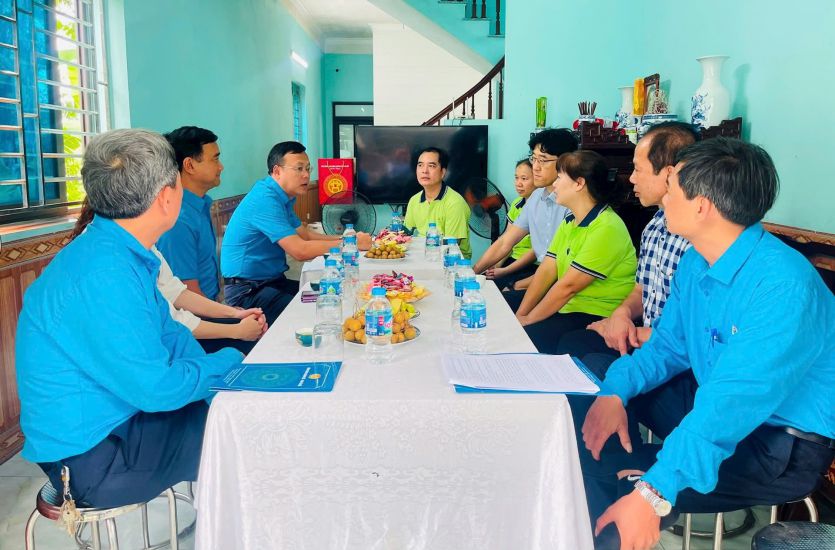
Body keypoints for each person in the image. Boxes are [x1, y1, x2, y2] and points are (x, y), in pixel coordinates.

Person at [580, 138, 835, 550]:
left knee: (614, 480)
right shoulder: (698, 259)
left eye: (674, 185)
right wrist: (614, 392)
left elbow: (732, 403)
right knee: (588, 391)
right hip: (717, 404)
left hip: (780, 444)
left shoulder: (784, 285)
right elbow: (666, 348)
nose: (664, 193)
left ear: (701, 206)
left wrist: (654, 490)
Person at [15, 129, 242, 508]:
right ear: (165, 196)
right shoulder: (104, 273)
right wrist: (231, 364)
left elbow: (173, 337)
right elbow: (157, 388)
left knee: (233, 408)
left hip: (120, 421)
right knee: (242, 431)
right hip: (92, 457)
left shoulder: (121, 253)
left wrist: (213, 371)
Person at [556, 122, 697, 373]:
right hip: (646, 340)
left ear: (669, 174)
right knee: (573, 344)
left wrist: (630, 330)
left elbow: (693, 336)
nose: (631, 178)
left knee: (583, 361)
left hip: (674, 356)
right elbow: (642, 290)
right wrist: (621, 314)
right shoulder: (654, 225)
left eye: (637, 169)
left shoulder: (697, 240)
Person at [71, 201, 267, 355]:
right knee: (242, 351)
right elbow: (171, 321)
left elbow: (176, 293)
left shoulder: (142, 241)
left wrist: (234, 314)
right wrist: (237, 332)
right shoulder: (108, 260)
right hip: (149, 350)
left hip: (168, 339)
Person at [221, 141, 371, 323]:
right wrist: (351, 244)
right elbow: (300, 250)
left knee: (332, 295)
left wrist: (348, 237)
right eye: (299, 169)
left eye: (308, 168)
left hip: (272, 282)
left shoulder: (281, 197)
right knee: (322, 311)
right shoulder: (265, 199)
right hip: (248, 292)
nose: (306, 175)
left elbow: (305, 235)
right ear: (277, 171)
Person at [513, 150, 637, 353]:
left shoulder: (606, 226)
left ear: (579, 184)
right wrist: (522, 314)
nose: (554, 185)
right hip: (570, 306)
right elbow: (546, 270)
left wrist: (528, 321)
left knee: (527, 339)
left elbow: (568, 286)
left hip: (596, 312)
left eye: (560, 178)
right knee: (507, 312)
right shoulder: (570, 221)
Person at [473, 129, 577, 293]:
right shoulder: (536, 197)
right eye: (533, 159)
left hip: (558, 283)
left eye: (543, 160)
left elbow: (559, 267)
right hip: (541, 277)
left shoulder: (573, 203)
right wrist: (473, 272)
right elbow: (504, 243)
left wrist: (515, 285)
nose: (535, 167)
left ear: (566, 162)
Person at [157, 126, 223, 300]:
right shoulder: (179, 220)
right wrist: (229, 319)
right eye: (215, 160)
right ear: (189, 165)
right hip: (194, 319)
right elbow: (187, 294)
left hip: (210, 306)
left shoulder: (200, 206)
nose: (221, 167)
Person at [403, 146, 472, 258]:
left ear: (443, 172)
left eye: (431, 166)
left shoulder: (455, 202)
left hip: (451, 263)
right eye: (420, 165)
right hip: (422, 257)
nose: (424, 171)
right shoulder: (414, 200)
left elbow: (452, 245)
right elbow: (406, 235)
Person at [483, 158, 538, 290]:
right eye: (516, 178)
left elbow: (535, 252)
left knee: (500, 291)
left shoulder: (542, 209)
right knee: (484, 282)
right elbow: (507, 242)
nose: (519, 183)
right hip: (511, 260)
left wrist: (505, 270)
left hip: (531, 266)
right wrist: (497, 264)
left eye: (524, 179)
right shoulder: (517, 204)